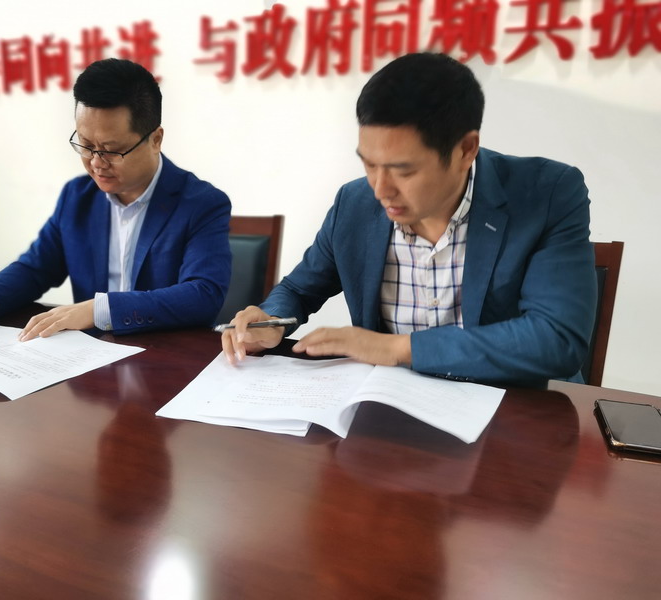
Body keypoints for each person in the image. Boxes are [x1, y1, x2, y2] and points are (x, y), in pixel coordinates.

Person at [223, 52, 597, 386]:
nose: (381, 189)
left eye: (404, 171)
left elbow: (556, 340)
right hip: (391, 405)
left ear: (465, 150)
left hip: (514, 410)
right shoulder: (354, 203)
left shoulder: (546, 193)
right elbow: (299, 289)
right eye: (369, 165)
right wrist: (271, 321)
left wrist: (398, 348)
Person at [0, 59, 231, 343]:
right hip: (89, 360)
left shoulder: (201, 204)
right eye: (85, 144)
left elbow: (203, 294)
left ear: (155, 139)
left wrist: (98, 309)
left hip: (166, 359)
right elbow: (35, 268)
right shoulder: (77, 197)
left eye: (111, 150)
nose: (96, 162)